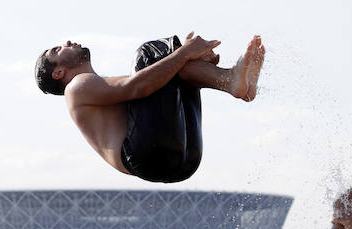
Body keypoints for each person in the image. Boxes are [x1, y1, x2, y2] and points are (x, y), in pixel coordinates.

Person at [34, 32, 265, 183]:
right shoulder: (76, 87)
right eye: (57, 50)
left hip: (180, 163)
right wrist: (185, 52)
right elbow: (137, 87)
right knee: (151, 52)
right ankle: (231, 80)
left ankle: (235, 83)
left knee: (169, 70)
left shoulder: (100, 86)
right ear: (58, 73)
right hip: (144, 154)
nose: (66, 43)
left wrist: (193, 63)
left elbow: (154, 78)